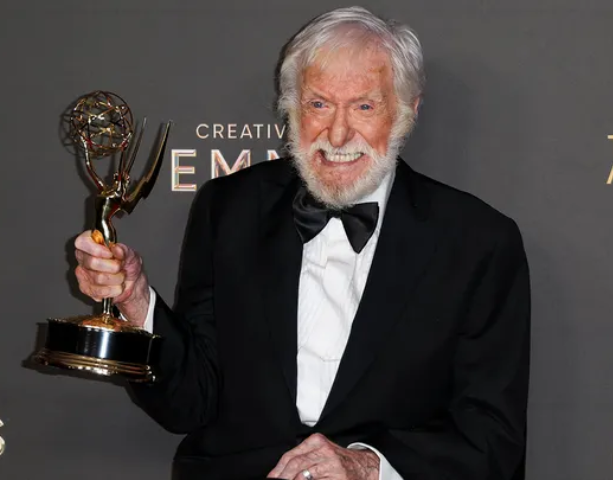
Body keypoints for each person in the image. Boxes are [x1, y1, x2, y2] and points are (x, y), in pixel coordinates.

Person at [74, 6, 530, 480]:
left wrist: (369, 466)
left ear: (407, 111)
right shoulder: (230, 209)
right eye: (318, 104)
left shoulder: (478, 241)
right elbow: (190, 403)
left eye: (364, 106)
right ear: (290, 108)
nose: (337, 133)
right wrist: (135, 300)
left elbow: (492, 438)